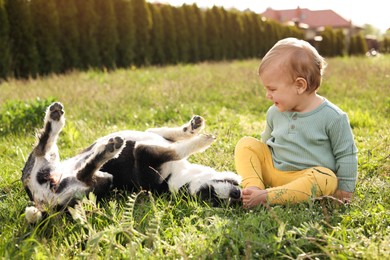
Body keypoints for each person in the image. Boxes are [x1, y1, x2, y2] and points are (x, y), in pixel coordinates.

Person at [235, 38, 358, 208]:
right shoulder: (274, 112)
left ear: (299, 85)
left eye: (272, 89)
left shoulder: (333, 117)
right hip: (275, 171)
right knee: (246, 144)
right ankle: (254, 189)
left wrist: (345, 189)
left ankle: (267, 196)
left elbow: (346, 154)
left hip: (306, 178)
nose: (267, 95)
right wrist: (260, 164)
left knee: (326, 179)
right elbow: (266, 145)